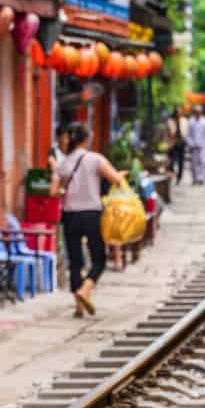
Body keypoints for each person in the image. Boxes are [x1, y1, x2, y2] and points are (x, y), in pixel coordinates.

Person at [51, 122, 130, 317]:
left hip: (70, 216)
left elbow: (53, 192)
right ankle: (85, 290)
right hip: (92, 215)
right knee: (99, 259)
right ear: (86, 139)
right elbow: (116, 180)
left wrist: (66, 190)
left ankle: (78, 307)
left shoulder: (63, 163)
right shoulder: (95, 159)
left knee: (75, 262)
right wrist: (121, 175)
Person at [186, 105, 205, 184]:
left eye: (199, 112)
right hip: (193, 145)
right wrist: (190, 143)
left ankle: (202, 178)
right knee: (194, 163)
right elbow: (188, 134)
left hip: (202, 145)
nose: (198, 113)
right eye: (196, 112)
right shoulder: (190, 121)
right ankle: (194, 178)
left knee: (202, 161)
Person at [162, 112, 187, 184]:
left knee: (181, 162)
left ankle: (179, 177)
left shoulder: (184, 120)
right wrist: (166, 143)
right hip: (172, 143)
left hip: (181, 143)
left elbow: (186, 131)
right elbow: (166, 133)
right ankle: (171, 176)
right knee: (171, 161)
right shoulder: (170, 121)